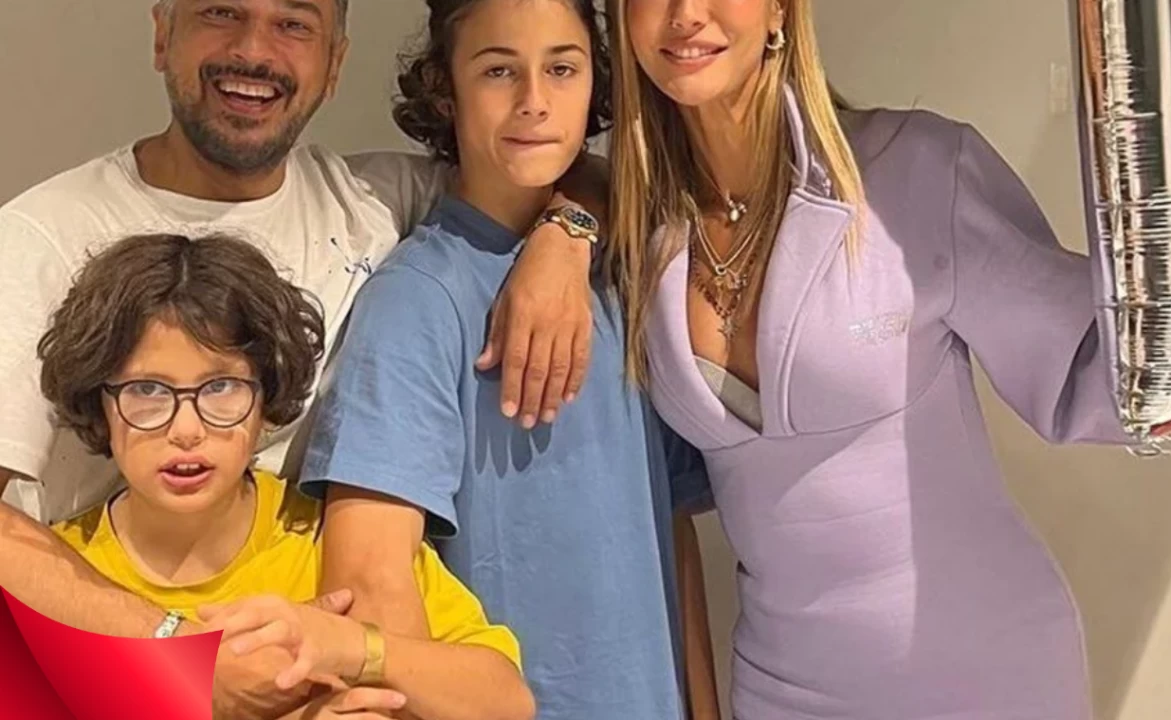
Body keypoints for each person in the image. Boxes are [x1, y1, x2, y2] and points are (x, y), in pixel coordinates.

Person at [0, 0, 600, 714]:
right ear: (162, 33)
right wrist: (184, 659)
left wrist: (565, 237)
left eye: (295, 23)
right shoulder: (40, 239)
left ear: (335, 61)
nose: (255, 50)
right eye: (222, 12)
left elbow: (550, 160)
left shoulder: (375, 201)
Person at [605, 0, 1130, 719]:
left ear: (780, 9)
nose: (687, 13)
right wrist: (562, 232)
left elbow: (1105, 371)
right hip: (783, 687)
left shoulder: (914, 172)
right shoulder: (633, 232)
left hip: (982, 674)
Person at [291, 1, 717, 718]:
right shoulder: (417, 300)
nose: (534, 101)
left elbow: (670, 533)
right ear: (444, 90)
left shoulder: (630, 271)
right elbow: (368, 584)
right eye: (498, 71)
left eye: (562, 68)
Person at [43, 232, 535, 720]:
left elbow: (508, 703)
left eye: (221, 387)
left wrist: (354, 646)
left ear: (267, 398)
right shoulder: (60, 576)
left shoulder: (325, 538)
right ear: (97, 402)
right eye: (147, 390)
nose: (186, 429)